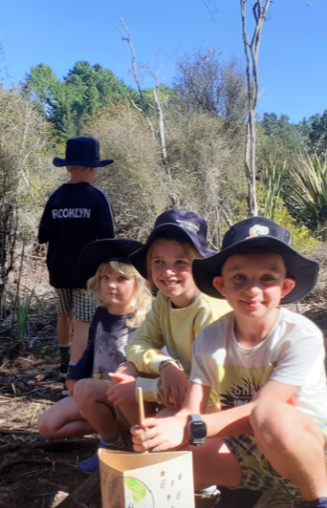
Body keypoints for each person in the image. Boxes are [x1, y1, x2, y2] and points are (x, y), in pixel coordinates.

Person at [130, 217, 327, 508]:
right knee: (169, 446)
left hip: (317, 450)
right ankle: (243, 489)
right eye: (239, 278)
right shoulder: (210, 338)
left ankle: (323, 502)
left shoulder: (300, 335)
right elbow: (193, 410)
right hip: (248, 446)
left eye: (267, 279)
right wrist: (162, 430)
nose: (252, 289)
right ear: (221, 285)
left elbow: (261, 411)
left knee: (269, 415)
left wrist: (188, 426)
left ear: (285, 287)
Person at [37, 238, 151, 471]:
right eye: (105, 278)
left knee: (86, 390)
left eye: (121, 279)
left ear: (139, 281)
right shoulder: (101, 312)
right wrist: (76, 375)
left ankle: (112, 446)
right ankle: (115, 435)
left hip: (132, 399)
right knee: (48, 426)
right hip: (98, 394)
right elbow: (93, 347)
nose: (111, 285)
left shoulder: (148, 317)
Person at [107, 209, 231, 422]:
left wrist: (144, 389)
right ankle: (140, 435)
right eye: (159, 262)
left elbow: (213, 389)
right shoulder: (164, 300)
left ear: (199, 264)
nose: (167, 272)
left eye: (180, 262)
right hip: (186, 388)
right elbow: (138, 343)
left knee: (161, 417)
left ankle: (156, 435)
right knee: (126, 370)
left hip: (217, 403)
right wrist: (164, 364)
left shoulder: (209, 310)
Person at [38, 137, 115, 383]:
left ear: (67, 168)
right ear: (93, 168)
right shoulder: (97, 197)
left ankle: (63, 364)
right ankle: (73, 376)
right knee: (83, 322)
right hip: (86, 271)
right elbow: (108, 238)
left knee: (65, 315)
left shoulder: (56, 197)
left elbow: (43, 235)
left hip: (58, 267)